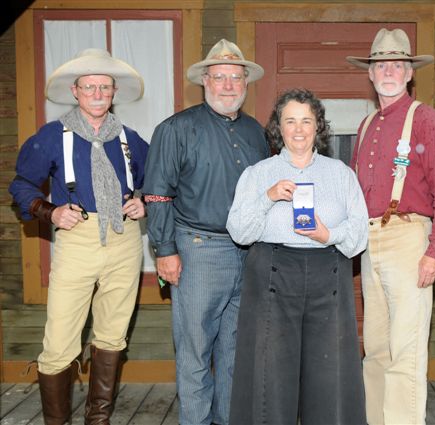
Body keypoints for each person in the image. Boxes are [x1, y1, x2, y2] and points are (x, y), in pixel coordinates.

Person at [9, 48, 147, 424]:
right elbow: (21, 186)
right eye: (90, 87)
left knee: (113, 335)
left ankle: (97, 420)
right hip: (77, 239)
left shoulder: (130, 139)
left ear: (114, 92)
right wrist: (50, 211)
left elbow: (158, 183)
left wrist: (143, 202)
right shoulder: (52, 136)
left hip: (125, 239)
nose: (98, 93)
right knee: (58, 342)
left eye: (105, 86)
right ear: (76, 91)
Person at [142, 39, 270, 425]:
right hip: (197, 251)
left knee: (235, 352)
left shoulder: (256, 133)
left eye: (235, 77)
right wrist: (164, 250)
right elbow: (158, 195)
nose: (228, 85)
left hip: (248, 254)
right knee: (195, 353)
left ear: (246, 82)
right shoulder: (175, 129)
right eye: (219, 77)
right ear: (204, 81)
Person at [226, 88, 368, 425]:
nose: (299, 129)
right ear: (279, 127)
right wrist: (268, 197)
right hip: (272, 274)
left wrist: (327, 235)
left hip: (328, 274)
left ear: (318, 126)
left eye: (307, 120)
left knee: (329, 374)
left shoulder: (341, 174)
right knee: (269, 375)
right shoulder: (258, 174)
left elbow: (359, 235)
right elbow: (240, 232)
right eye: (290, 121)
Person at [346, 28, 435, 424]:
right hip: (370, 240)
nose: (389, 71)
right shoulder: (365, 126)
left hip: (409, 238)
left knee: (406, 350)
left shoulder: (425, 118)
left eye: (397, 65)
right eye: (381, 65)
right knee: (376, 348)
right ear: (371, 74)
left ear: (410, 73)